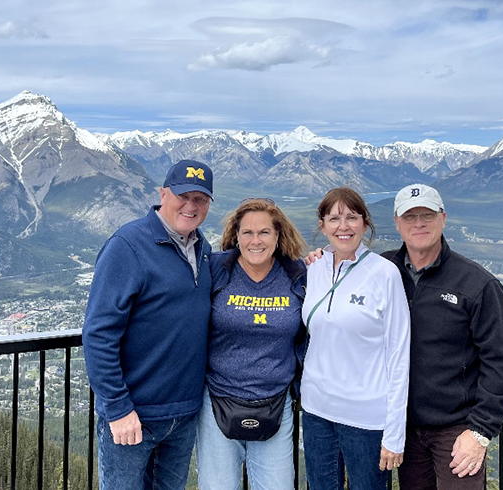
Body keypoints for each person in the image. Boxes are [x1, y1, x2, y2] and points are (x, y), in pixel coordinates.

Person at [82, 159, 214, 490]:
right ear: (163, 194)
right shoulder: (127, 245)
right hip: (133, 417)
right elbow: (98, 334)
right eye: (183, 195)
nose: (191, 206)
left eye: (200, 199)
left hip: (183, 417)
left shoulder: (203, 248)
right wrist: (117, 408)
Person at [382, 183, 503, 490]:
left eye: (427, 215)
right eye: (410, 216)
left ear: (443, 219)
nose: (419, 223)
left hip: (457, 431)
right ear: (397, 223)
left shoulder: (477, 284)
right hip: (402, 425)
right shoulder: (382, 271)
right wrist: (318, 259)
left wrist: (480, 432)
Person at [302, 187, 411, 490]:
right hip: (316, 411)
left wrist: (394, 433)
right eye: (334, 218)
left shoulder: (384, 274)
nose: (343, 226)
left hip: (366, 418)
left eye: (352, 217)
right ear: (322, 225)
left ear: (365, 223)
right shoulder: (313, 268)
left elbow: (399, 356)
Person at [196, 198, 307, 490]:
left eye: (264, 232)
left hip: (275, 402)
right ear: (236, 235)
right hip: (218, 399)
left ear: (278, 235)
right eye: (247, 232)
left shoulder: (297, 275)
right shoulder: (218, 270)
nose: (255, 240)